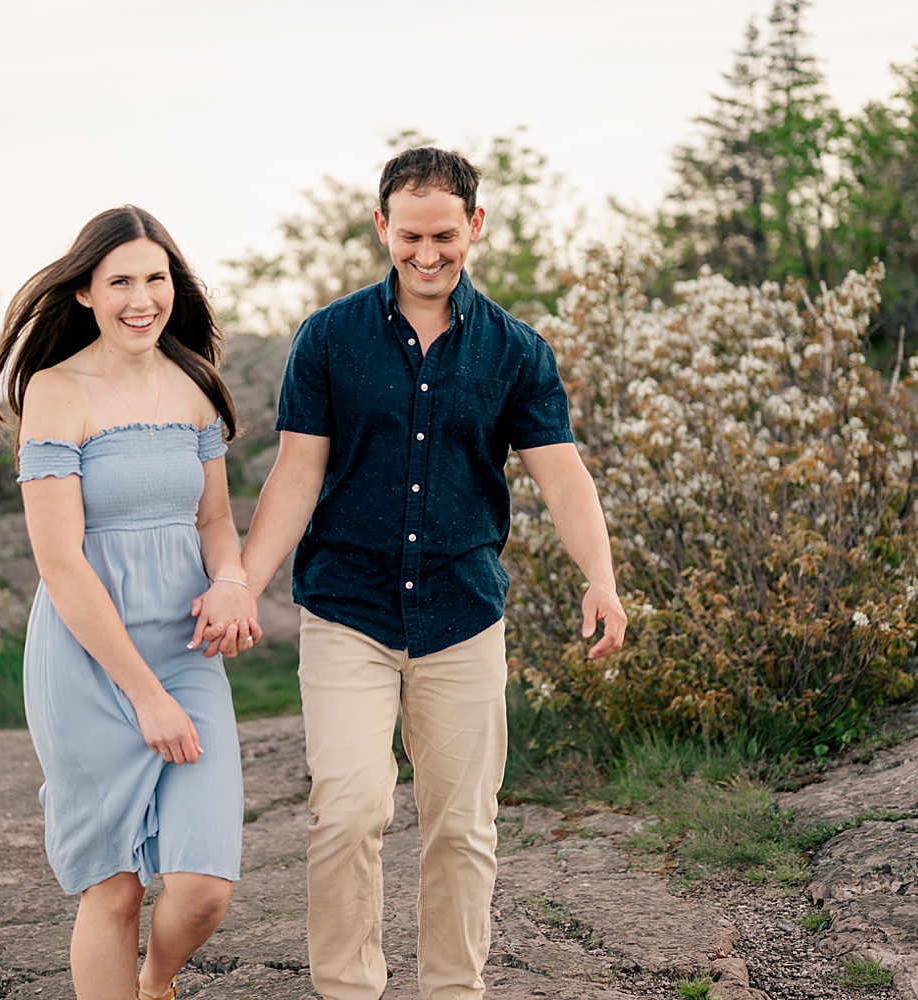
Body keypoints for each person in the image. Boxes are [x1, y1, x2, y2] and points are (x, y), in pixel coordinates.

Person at [237, 148, 628, 1000]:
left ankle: (453, 991)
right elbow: (297, 473)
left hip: (462, 615)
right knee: (345, 815)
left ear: (475, 227)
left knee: (462, 829)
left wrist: (601, 578)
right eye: (408, 234)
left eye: (444, 234)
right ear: (382, 228)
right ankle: (348, 990)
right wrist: (241, 581)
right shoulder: (330, 338)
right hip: (348, 613)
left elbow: (561, 475)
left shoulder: (518, 352)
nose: (426, 253)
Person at [0, 205, 261, 1000]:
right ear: (84, 294)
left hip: (186, 654)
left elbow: (215, 521)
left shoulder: (197, 384)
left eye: (156, 279)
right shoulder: (56, 391)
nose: (142, 299)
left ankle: (156, 981)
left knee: (203, 885)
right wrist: (145, 696)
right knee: (115, 890)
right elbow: (61, 563)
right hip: (89, 663)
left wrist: (232, 579)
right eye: (120, 282)